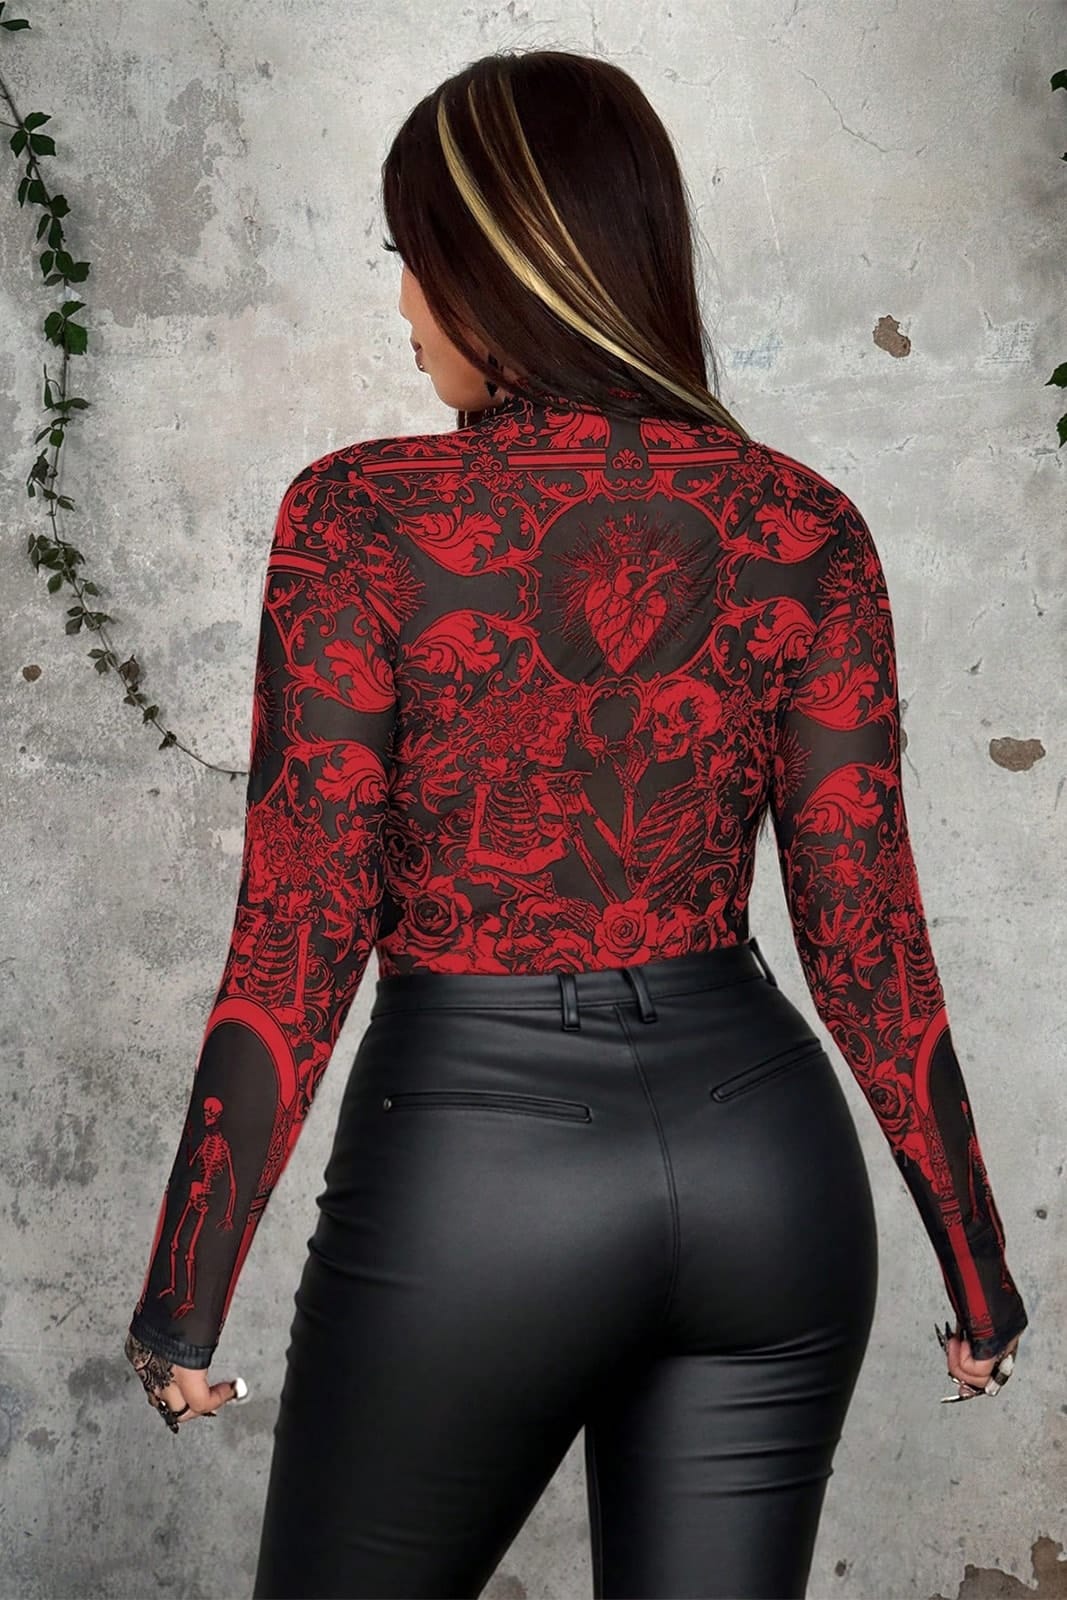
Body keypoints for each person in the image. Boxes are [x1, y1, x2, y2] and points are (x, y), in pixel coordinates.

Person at [124, 46, 1029, 1600]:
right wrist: (976, 1263)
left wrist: (183, 1296)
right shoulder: (804, 524)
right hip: (767, 1177)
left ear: (497, 267)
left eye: (414, 255)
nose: (404, 305)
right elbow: (864, 930)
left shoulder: (359, 515)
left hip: (477, 1179)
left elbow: (302, 927)